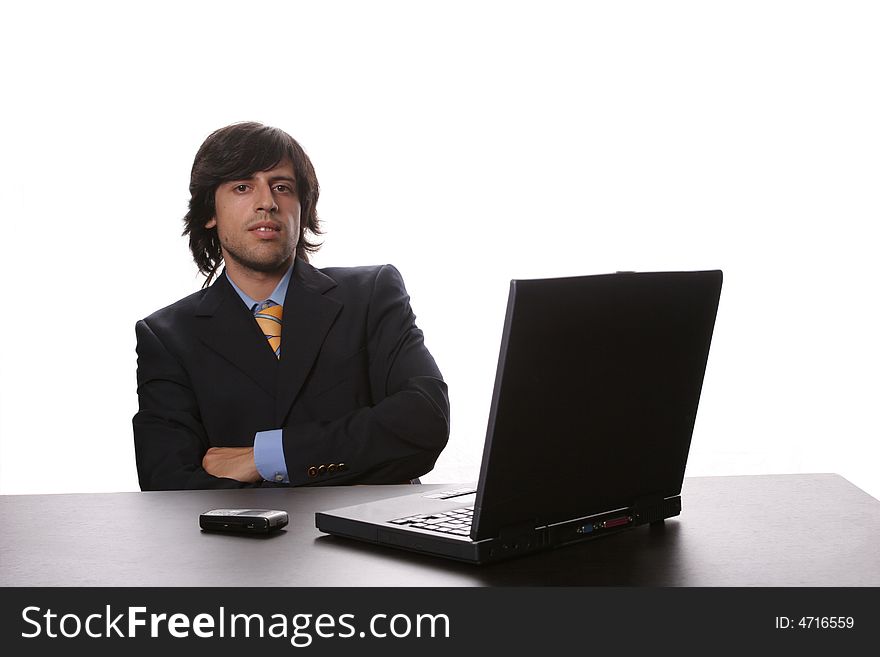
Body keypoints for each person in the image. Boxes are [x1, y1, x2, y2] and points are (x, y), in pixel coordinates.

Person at [133, 122, 449, 490]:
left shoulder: (371, 294)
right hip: (240, 545)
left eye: (282, 187)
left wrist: (265, 457)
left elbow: (424, 421)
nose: (267, 202)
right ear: (209, 211)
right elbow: (167, 482)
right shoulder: (167, 337)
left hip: (371, 540)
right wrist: (365, 453)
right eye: (242, 187)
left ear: (303, 208)